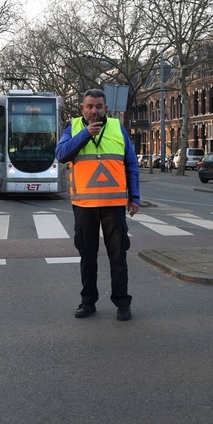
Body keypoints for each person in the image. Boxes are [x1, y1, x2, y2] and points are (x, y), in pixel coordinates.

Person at [55, 89, 141, 321]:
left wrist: (134, 197)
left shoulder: (117, 128)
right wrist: (84, 134)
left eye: (99, 106)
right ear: (82, 108)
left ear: (106, 108)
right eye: (90, 106)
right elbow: (61, 154)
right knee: (87, 256)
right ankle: (88, 301)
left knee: (118, 256)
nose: (94, 111)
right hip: (84, 205)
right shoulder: (72, 128)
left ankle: (122, 303)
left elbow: (131, 164)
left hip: (114, 204)